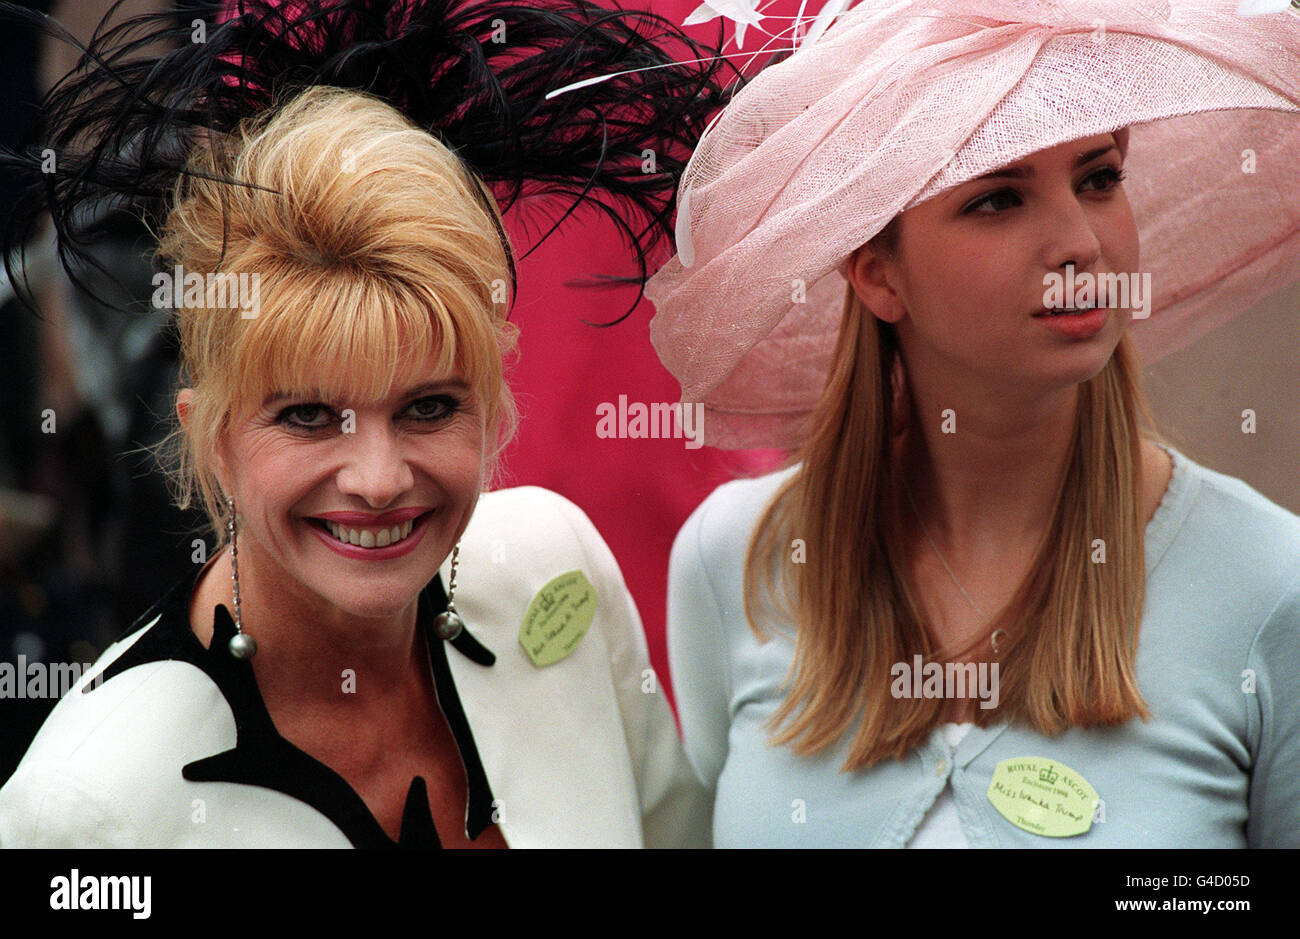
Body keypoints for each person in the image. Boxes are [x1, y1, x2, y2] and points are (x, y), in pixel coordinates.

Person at [0, 0, 728, 847]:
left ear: (493, 407)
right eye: (308, 416)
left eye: (429, 407)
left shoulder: (554, 566)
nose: (378, 478)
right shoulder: (88, 803)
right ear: (213, 436)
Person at [646, 0, 1300, 847]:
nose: (1080, 243)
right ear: (878, 275)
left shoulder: (1267, 581)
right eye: (998, 199)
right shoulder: (736, 558)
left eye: (1099, 178)